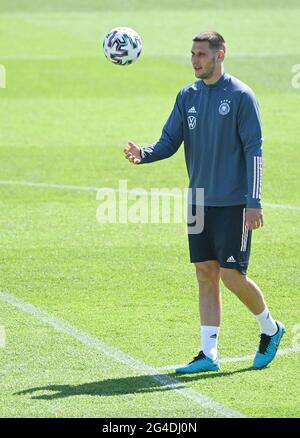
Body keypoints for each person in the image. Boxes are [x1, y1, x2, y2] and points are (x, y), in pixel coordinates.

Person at [123, 31, 285, 373]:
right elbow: (169, 141)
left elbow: (254, 150)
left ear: (219, 55)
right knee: (205, 274)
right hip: (198, 201)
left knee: (232, 275)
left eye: (201, 54)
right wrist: (144, 154)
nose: (195, 60)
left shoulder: (241, 96)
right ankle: (208, 355)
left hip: (234, 203)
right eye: (192, 54)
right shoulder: (188, 96)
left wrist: (254, 200)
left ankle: (270, 329)